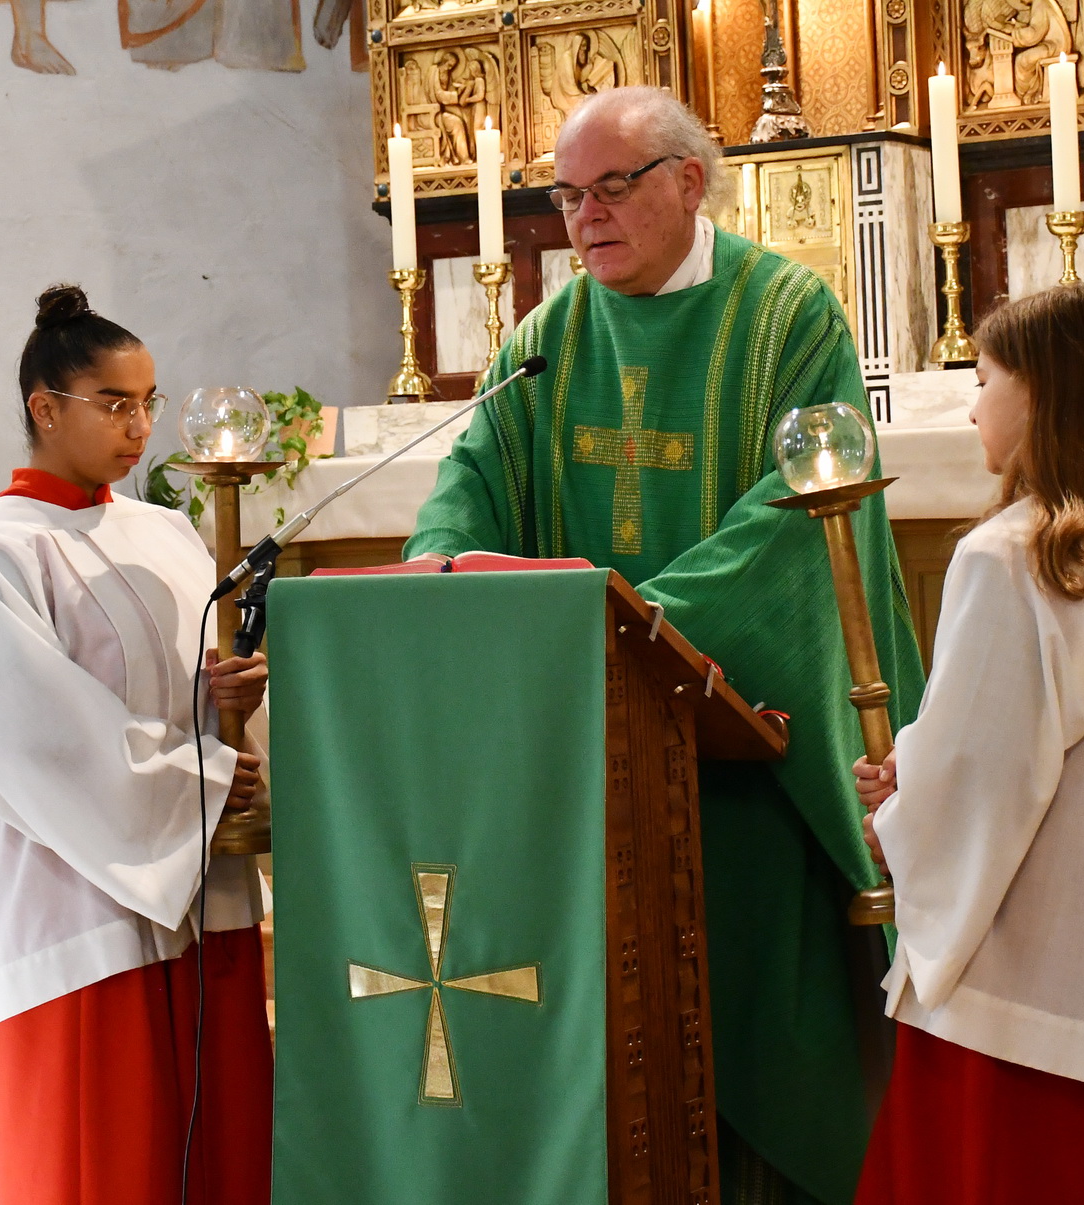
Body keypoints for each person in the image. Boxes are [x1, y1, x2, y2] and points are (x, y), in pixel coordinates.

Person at [404, 86, 925, 1204]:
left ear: (689, 180)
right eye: (565, 194)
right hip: (595, 754)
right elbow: (471, 484)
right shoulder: (544, 341)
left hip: (743, 747)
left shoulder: (790, 317)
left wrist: (626, 626)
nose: (583, 216)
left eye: (610, 188)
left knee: (753, 1014)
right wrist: (439, 572)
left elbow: (807, 507)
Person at [853, 284, 1084, 1204]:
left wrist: (898, 810)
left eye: (986, 378)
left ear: (1044, 394)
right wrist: (927, 774)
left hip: (1014, 1007)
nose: (973, 402)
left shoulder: (1010, 555)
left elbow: (983, 781)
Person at [0, 285, 273, 1205]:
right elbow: (40, 742)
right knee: (102, 1164)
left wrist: (228, 697)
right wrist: (203, 779)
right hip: (75, 911)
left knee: (218, 1154)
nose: (142, 426)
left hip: (193, 888)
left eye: (150, 402)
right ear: (45, 409)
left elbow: (178, 687)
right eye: (116, 403)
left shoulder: (162, 533)